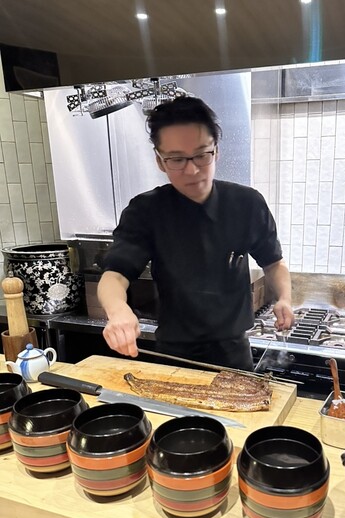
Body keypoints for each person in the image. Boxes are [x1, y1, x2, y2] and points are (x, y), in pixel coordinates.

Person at [98, 96, 294, 371]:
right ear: (160, 161)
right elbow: (115, 275)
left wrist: (284, 298)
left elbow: (273, 262)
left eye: (202, 155)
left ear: (216, 151)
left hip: (234, 353)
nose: (192, 170)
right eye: (177, 159)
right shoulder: (146, 211)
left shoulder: (247, 203)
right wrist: (118, 310)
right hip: (174, 353)